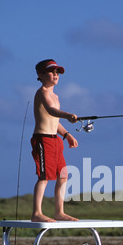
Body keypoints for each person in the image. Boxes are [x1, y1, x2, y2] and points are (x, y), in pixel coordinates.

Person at [31, 59, 78, 222]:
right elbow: (52, 111)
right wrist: (68, 115)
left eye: (57, 72)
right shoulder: (42, 92)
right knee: (44, 177)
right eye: (52, 72)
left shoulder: (55, 96)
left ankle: (59, 212)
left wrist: (66, 135)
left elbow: (55, 121)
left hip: (56, 140)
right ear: (41, 75)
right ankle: (37, 213)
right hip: (43, 140)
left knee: (63, 175)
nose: (55, 74)